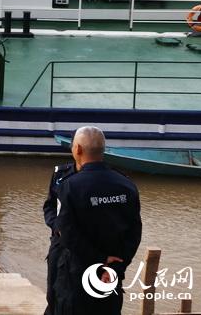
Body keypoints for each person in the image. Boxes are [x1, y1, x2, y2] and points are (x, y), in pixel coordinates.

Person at [53, 127, 142, 315]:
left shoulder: (70, 186)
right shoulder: (126, 185)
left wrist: (99, 259)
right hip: (110, 277)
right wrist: (116, 265)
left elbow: (67, 233)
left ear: (77, 149)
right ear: (103, 149)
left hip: (76, 278)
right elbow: (134, 232)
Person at [42, 159, 77, 315]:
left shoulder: (96, 179)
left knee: (72, 296)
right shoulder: (60, 174)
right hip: (58, 243)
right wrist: (56, 227)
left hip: (80, 247)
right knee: (52, 291)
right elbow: (49, 205)